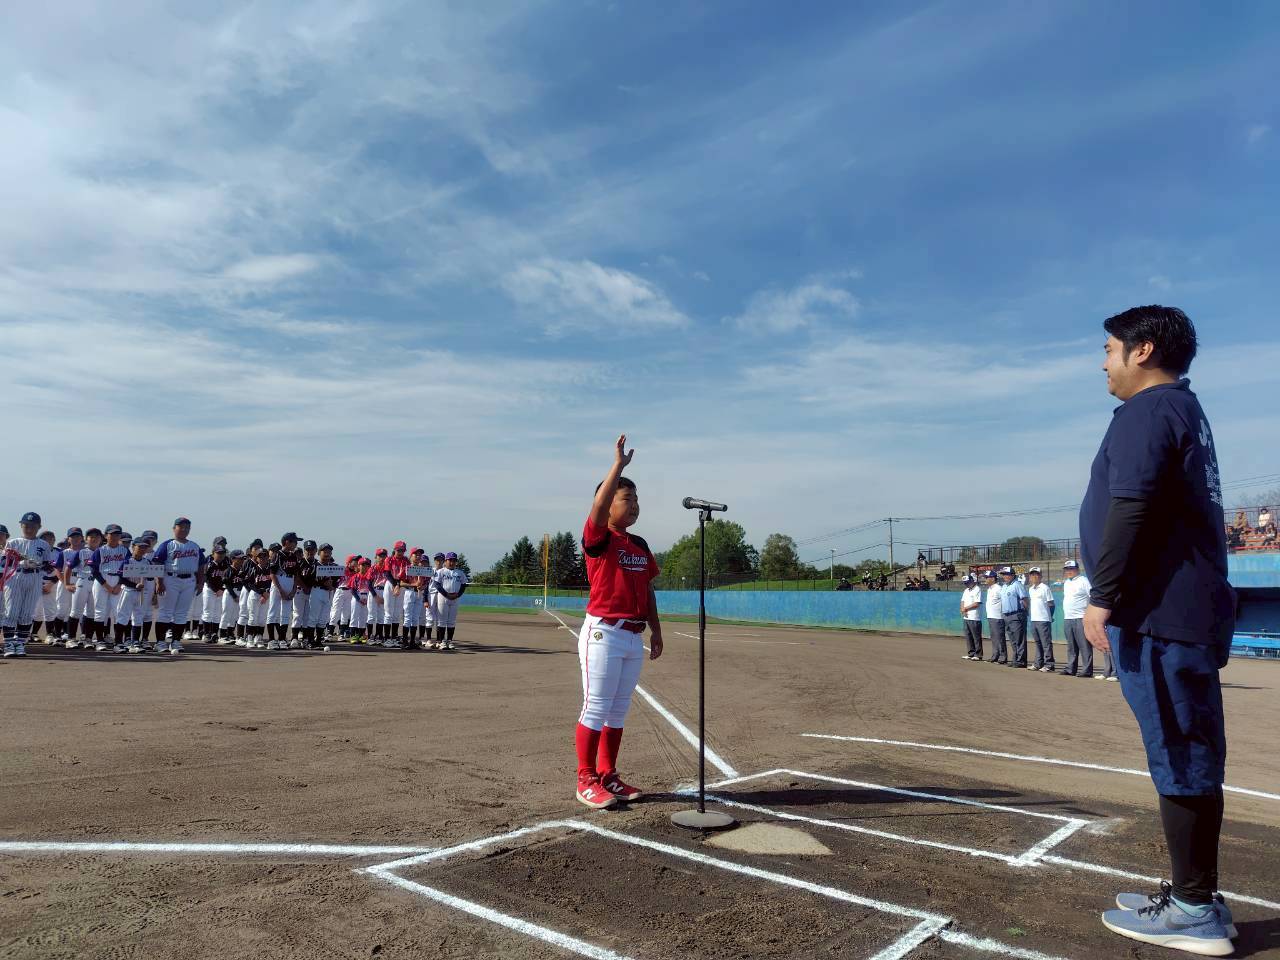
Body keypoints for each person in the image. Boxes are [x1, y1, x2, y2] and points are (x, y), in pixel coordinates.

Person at [1082, 306, 1236, 954]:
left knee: (1181, 756)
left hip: (1160, 617)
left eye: (1111, 348)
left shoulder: (1150, 411)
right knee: (1186, 752)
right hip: (1178, 613)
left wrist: (1103, 596)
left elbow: (1133, 502)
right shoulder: (1182, 409)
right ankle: (1192, 893)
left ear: (1143, 351)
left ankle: (1194, 908)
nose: (1103, 361)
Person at [575, 434, 663, 810]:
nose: (635, 506)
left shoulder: (639, 545)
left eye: (637, 500)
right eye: (627, 499)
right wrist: (618, 468)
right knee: (596, 707)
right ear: (609, 504)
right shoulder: (599, 539)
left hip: (632, 637)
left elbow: (649, 589)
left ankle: (609, 775)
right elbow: (596, 505)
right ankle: (586, 779)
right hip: (603, 633)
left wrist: (657, 630)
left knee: (618, 710)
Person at [2, 512, 57, 657]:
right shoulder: (13, 543)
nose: (29, 528)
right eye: (26, 525)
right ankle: (8, 644)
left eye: (33, 526)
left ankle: (20, 643)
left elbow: (49, 566)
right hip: (15, 578)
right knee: (11, 612)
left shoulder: (43, 545)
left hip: (34, 578)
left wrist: (39, 565)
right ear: (21, 525)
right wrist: (21, 562)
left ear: (39, 527)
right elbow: (4, 563)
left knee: (27, 613)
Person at [152, 517, 205, 654]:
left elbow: (201, 565)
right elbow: (157, 564)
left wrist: (200, 582)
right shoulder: (167, 544)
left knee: (181, 614)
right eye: (181, 526)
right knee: (165, 612)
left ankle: (176, 642)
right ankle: (160, 642)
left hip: (189, 580)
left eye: (187, 527)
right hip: (170, 579)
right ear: (174, 528)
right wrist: (159, 581)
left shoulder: (194, 546)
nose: (184, 529)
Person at [90, 524, 130, 652]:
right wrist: (105, 585)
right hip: (102, 580)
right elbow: (94, 570)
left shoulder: (124, 550)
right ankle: (100, 641)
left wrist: (119, 584)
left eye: (117, 534)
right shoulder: (100, 550)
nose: (114, 536)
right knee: (100, 611)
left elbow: (128, 569)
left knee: (119, 612)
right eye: (111, 534)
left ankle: (118, 643)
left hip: (118, 581)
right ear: (106, 535)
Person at [1059, 560, 1093, 677]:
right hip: (1068, 618)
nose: (1069, 571)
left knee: (1084, 645)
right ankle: (1070, 668)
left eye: (1071, 569)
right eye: (1067, 569)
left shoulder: (1083, 581)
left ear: (1077, 569)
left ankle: (1087, 670)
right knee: (1071, 646)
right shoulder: (1067, 582)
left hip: (1080, 618)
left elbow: (1092, 596)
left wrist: (1089, 614)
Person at [431, 552, 469, 650]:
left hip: (455, 598)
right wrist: (446, 594)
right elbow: (437, 585)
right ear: (446, 561)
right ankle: (442, 641)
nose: (452, 562)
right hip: (443, 597)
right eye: (450, 560)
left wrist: (458, 594)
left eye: (454, 560)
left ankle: (450, 641)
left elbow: (464, 585)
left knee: (451, 621)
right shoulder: (441, 571)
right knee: (442, 621)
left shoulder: (460, 573)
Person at [998, 566, 1029, 668]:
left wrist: (1025, 612)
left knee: (1019, 639)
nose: (1005, 576)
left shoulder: (1017, 585)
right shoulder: (1004, 586)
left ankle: (1021, 661)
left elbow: (1024, 599)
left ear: (1012, 575)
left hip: (1016, 614)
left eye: (1007, 574)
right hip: (1006, 615)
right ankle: (1016, 659)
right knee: (1012, 639)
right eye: (1004, 574)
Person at [1026, 567, 1056, 672]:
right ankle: (1038, 663)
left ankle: (1049, 665)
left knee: (1046, 643)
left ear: (1040, 576)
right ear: (1029, 577)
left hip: (1043, 620)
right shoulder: (1030, 589)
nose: (1034, 577)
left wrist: (1049, 616)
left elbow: (1051, 604)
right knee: (1038, 643)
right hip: (1034, 620)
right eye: (1032, 574)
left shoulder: (1045, 588)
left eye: (1036, 574)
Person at [982, 570, 1006, 663]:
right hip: (991, 616)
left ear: (992, 578)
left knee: (999, 637)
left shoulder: (999, 588)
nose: (985, 579)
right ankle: (995, 656)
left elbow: (1004, 601)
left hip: (998, 617)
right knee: (994, 638)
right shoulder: (990, 589)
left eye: (987, 577)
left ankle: (1003, 657)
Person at [959, 573, 983, 660]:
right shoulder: (966, 590)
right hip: (966, 617)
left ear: (972, 581)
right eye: (965, 583)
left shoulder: (977, 589)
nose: (966, 584)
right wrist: (962, 609)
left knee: (976, 637)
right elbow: (962, 601)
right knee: (968, 636)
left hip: (974, 617)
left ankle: (978, 654)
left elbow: (976, 603)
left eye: (968, 582)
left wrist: (965, 608)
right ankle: (971, 653)